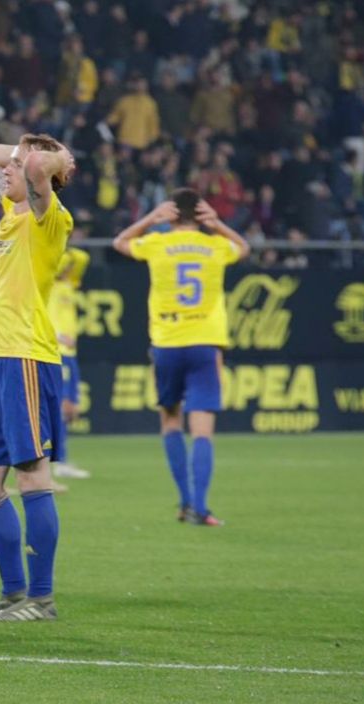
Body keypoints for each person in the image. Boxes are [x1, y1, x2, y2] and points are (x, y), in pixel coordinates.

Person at [0, 133, 75, 622]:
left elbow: (35, 172)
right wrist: (21, 152)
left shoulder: (48, 217)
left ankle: (42, 599)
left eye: (19, 166)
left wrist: (46, 162)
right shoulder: (12, 214)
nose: (6, 170)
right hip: (3, 359)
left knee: (32, 475)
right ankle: (13, 593)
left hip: (28, 357)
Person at [112, 189, 250, 526]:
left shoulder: (158, 244)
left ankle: (186, 502)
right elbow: (244, 248)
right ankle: (202, 508)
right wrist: (218, 225)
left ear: (171, 214)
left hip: (167, 343)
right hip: (206, 343)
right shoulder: (215, 246)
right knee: (202, 429)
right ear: (200, 214)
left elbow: (119, 243)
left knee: (171, 420)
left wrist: (150, 218)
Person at [46, 246, 92, 480]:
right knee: (62, 407)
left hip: (70, 353)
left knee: (70, 409)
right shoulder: (48, 286)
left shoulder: (67, 285)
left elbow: (83, 257)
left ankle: (61, 459)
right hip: (58, 351)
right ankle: (58, 461)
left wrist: (68, 248)